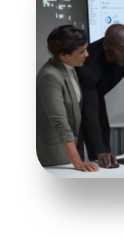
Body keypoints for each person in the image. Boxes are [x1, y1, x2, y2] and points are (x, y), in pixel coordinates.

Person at [75, 24, 124, 166]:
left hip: (97, 97)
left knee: (105, 152)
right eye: (121, 50)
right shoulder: (87, 63)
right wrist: (99, 151)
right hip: (75, 104)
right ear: (106, 45)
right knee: (79, 154)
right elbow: (89, 112)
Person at [36, 25, 99, 172]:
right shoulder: (49, 76)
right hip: (55, 155)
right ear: (64, 55)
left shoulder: (68, 67)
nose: (87, 54)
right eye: (82, 51)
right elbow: (60, 122)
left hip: (67, 150)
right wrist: (78, 161)